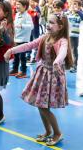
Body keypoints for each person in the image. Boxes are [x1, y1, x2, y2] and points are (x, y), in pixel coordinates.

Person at [4, 13, 73, 146]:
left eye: (52, 23)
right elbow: (28, 45)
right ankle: (48, 131)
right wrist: (11, 50)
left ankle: (57, 133)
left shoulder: (62, 40)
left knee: (43, 106)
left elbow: (63, 52)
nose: (48, 25)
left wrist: (57, 62)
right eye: (48, 22)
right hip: (42, 74)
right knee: (39, 104)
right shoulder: (44, 37)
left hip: (53, 76)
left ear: (60, 26)